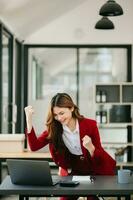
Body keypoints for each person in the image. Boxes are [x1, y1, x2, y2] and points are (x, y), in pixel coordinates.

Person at [24, 93, 116, 200]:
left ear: (71, 108)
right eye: (56, 115)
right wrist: (29, 119)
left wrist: (91, 147)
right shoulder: (55, 129)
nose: (59, 118)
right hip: (75, 172)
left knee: (92, 198)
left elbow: (100, 158)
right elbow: (34, 146)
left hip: (94, 170)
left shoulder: (90, 125)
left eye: (62, 113)